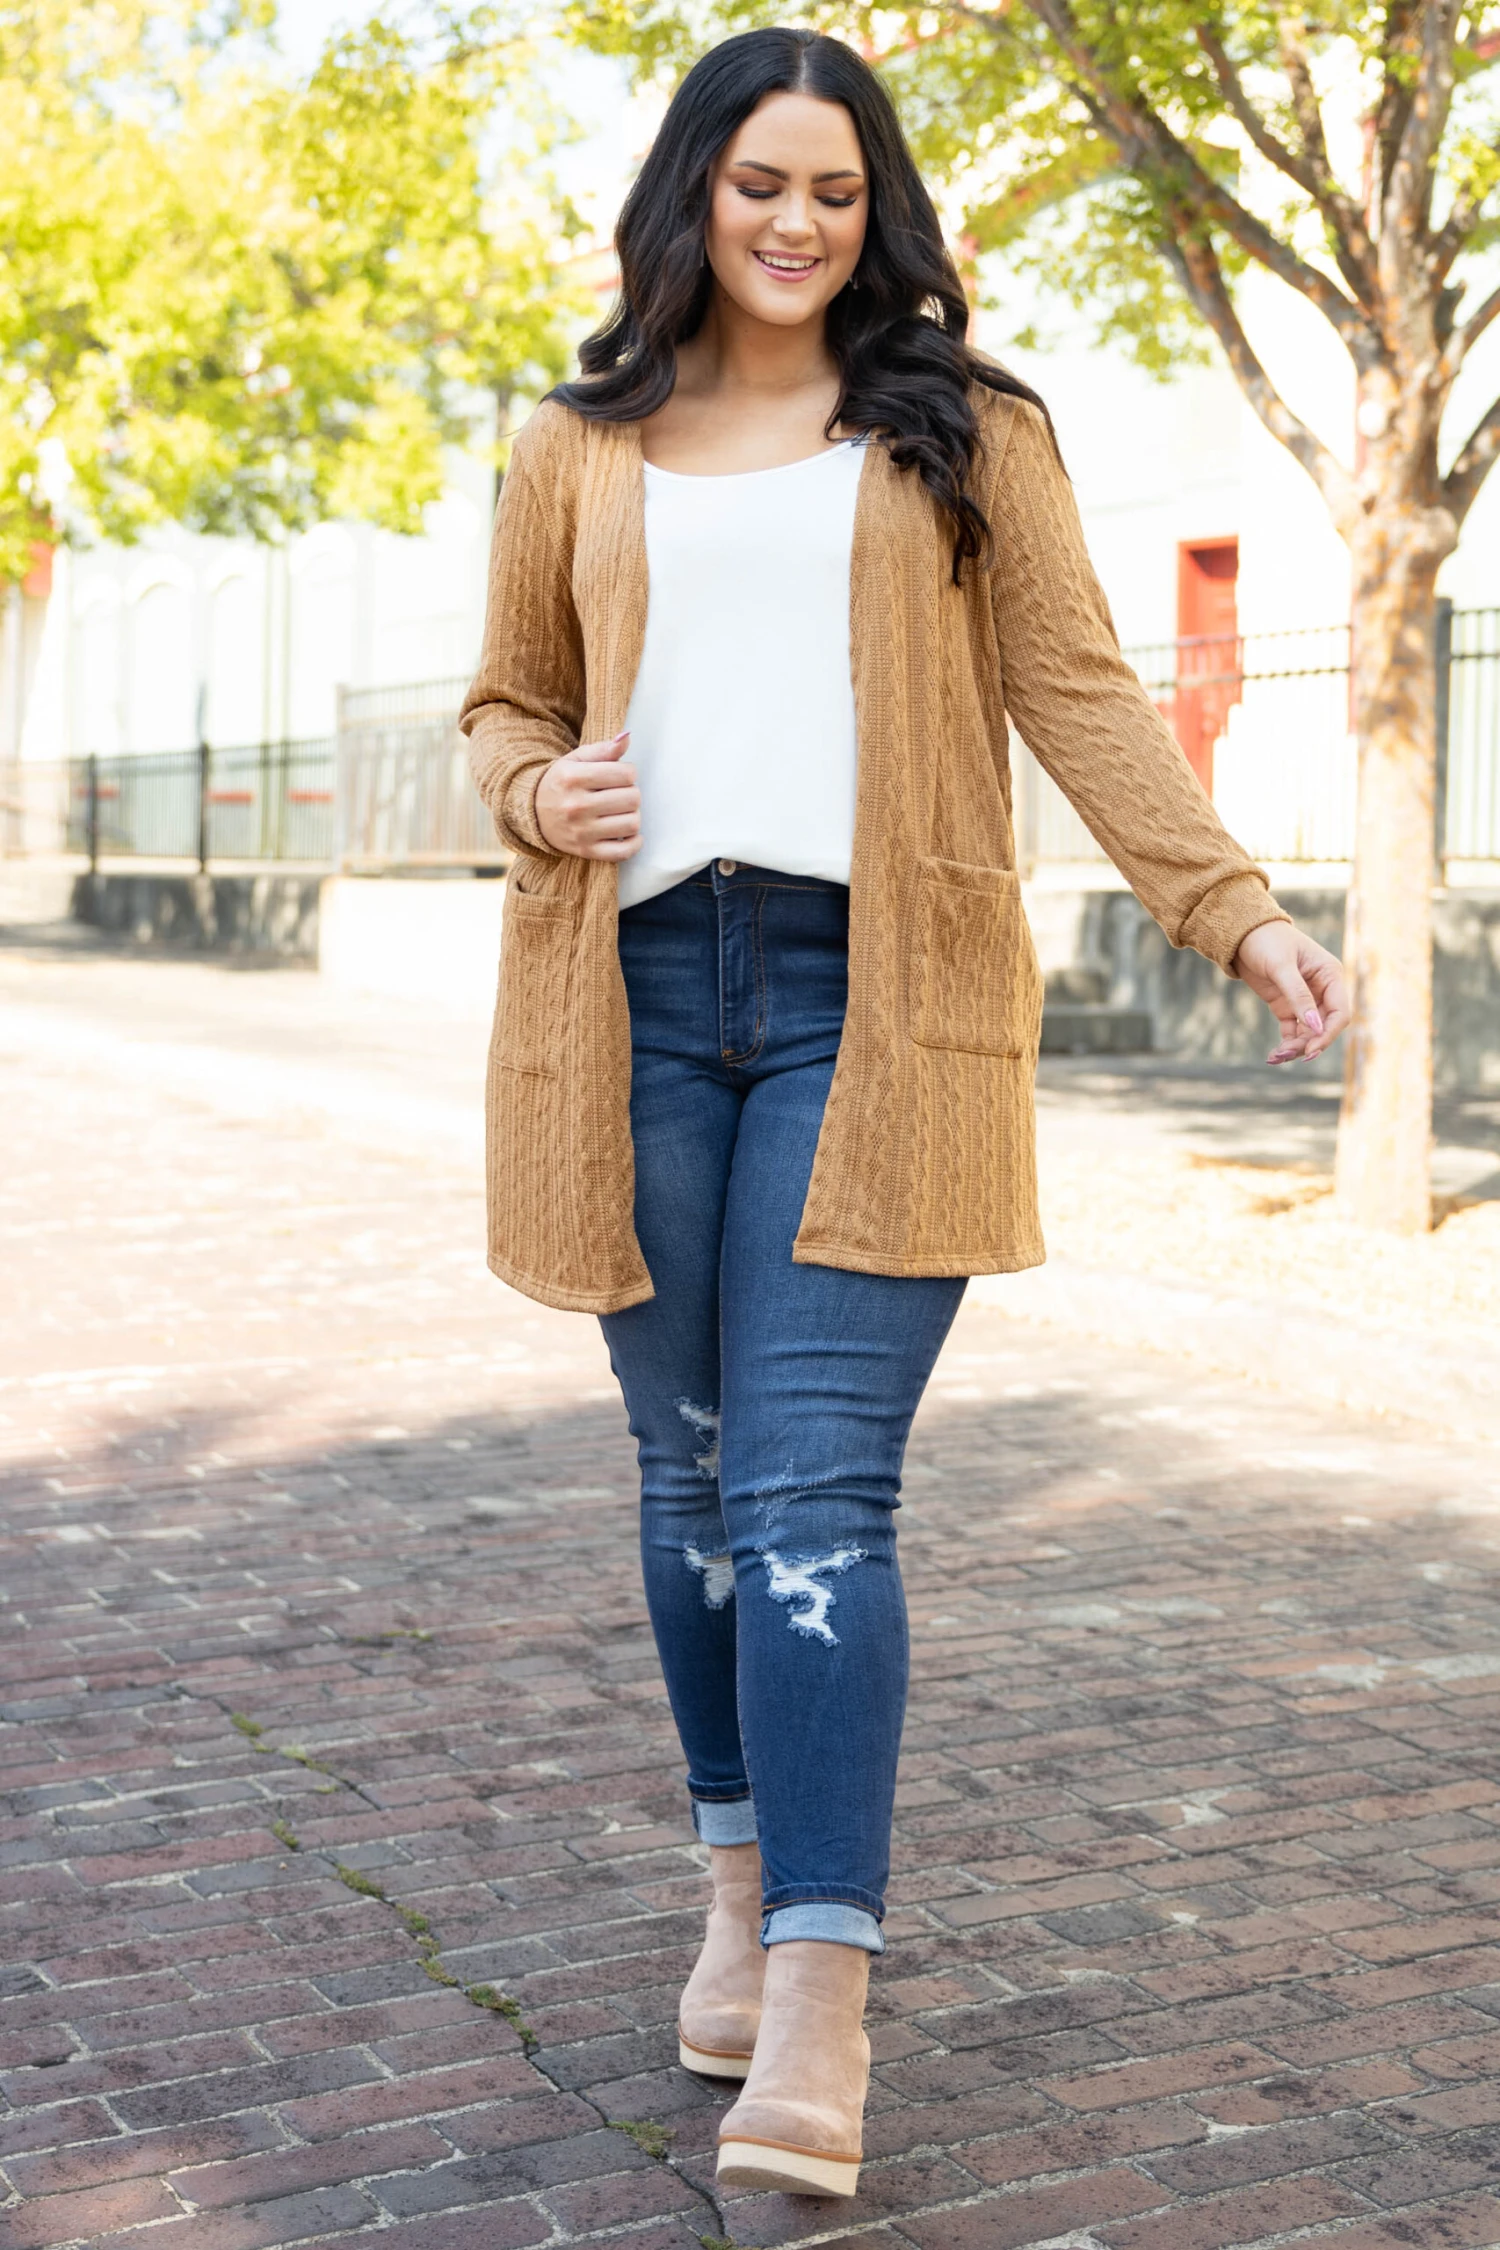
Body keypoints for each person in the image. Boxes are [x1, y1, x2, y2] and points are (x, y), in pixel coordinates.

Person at [460, 25, 1348, 2202]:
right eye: (762, 182)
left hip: (882, 995)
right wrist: (534, 789)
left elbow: (1079, 692)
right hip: (633, 999)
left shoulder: (963, 430)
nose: (798, 222)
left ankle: (824, 1991)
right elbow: (504, 701)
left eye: (837, 191)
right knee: (688, 1482)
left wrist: (1234, 911)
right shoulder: (575, 444)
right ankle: (737, 1886)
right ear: (695, 191)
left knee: (813, 1502)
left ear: (878, 214)